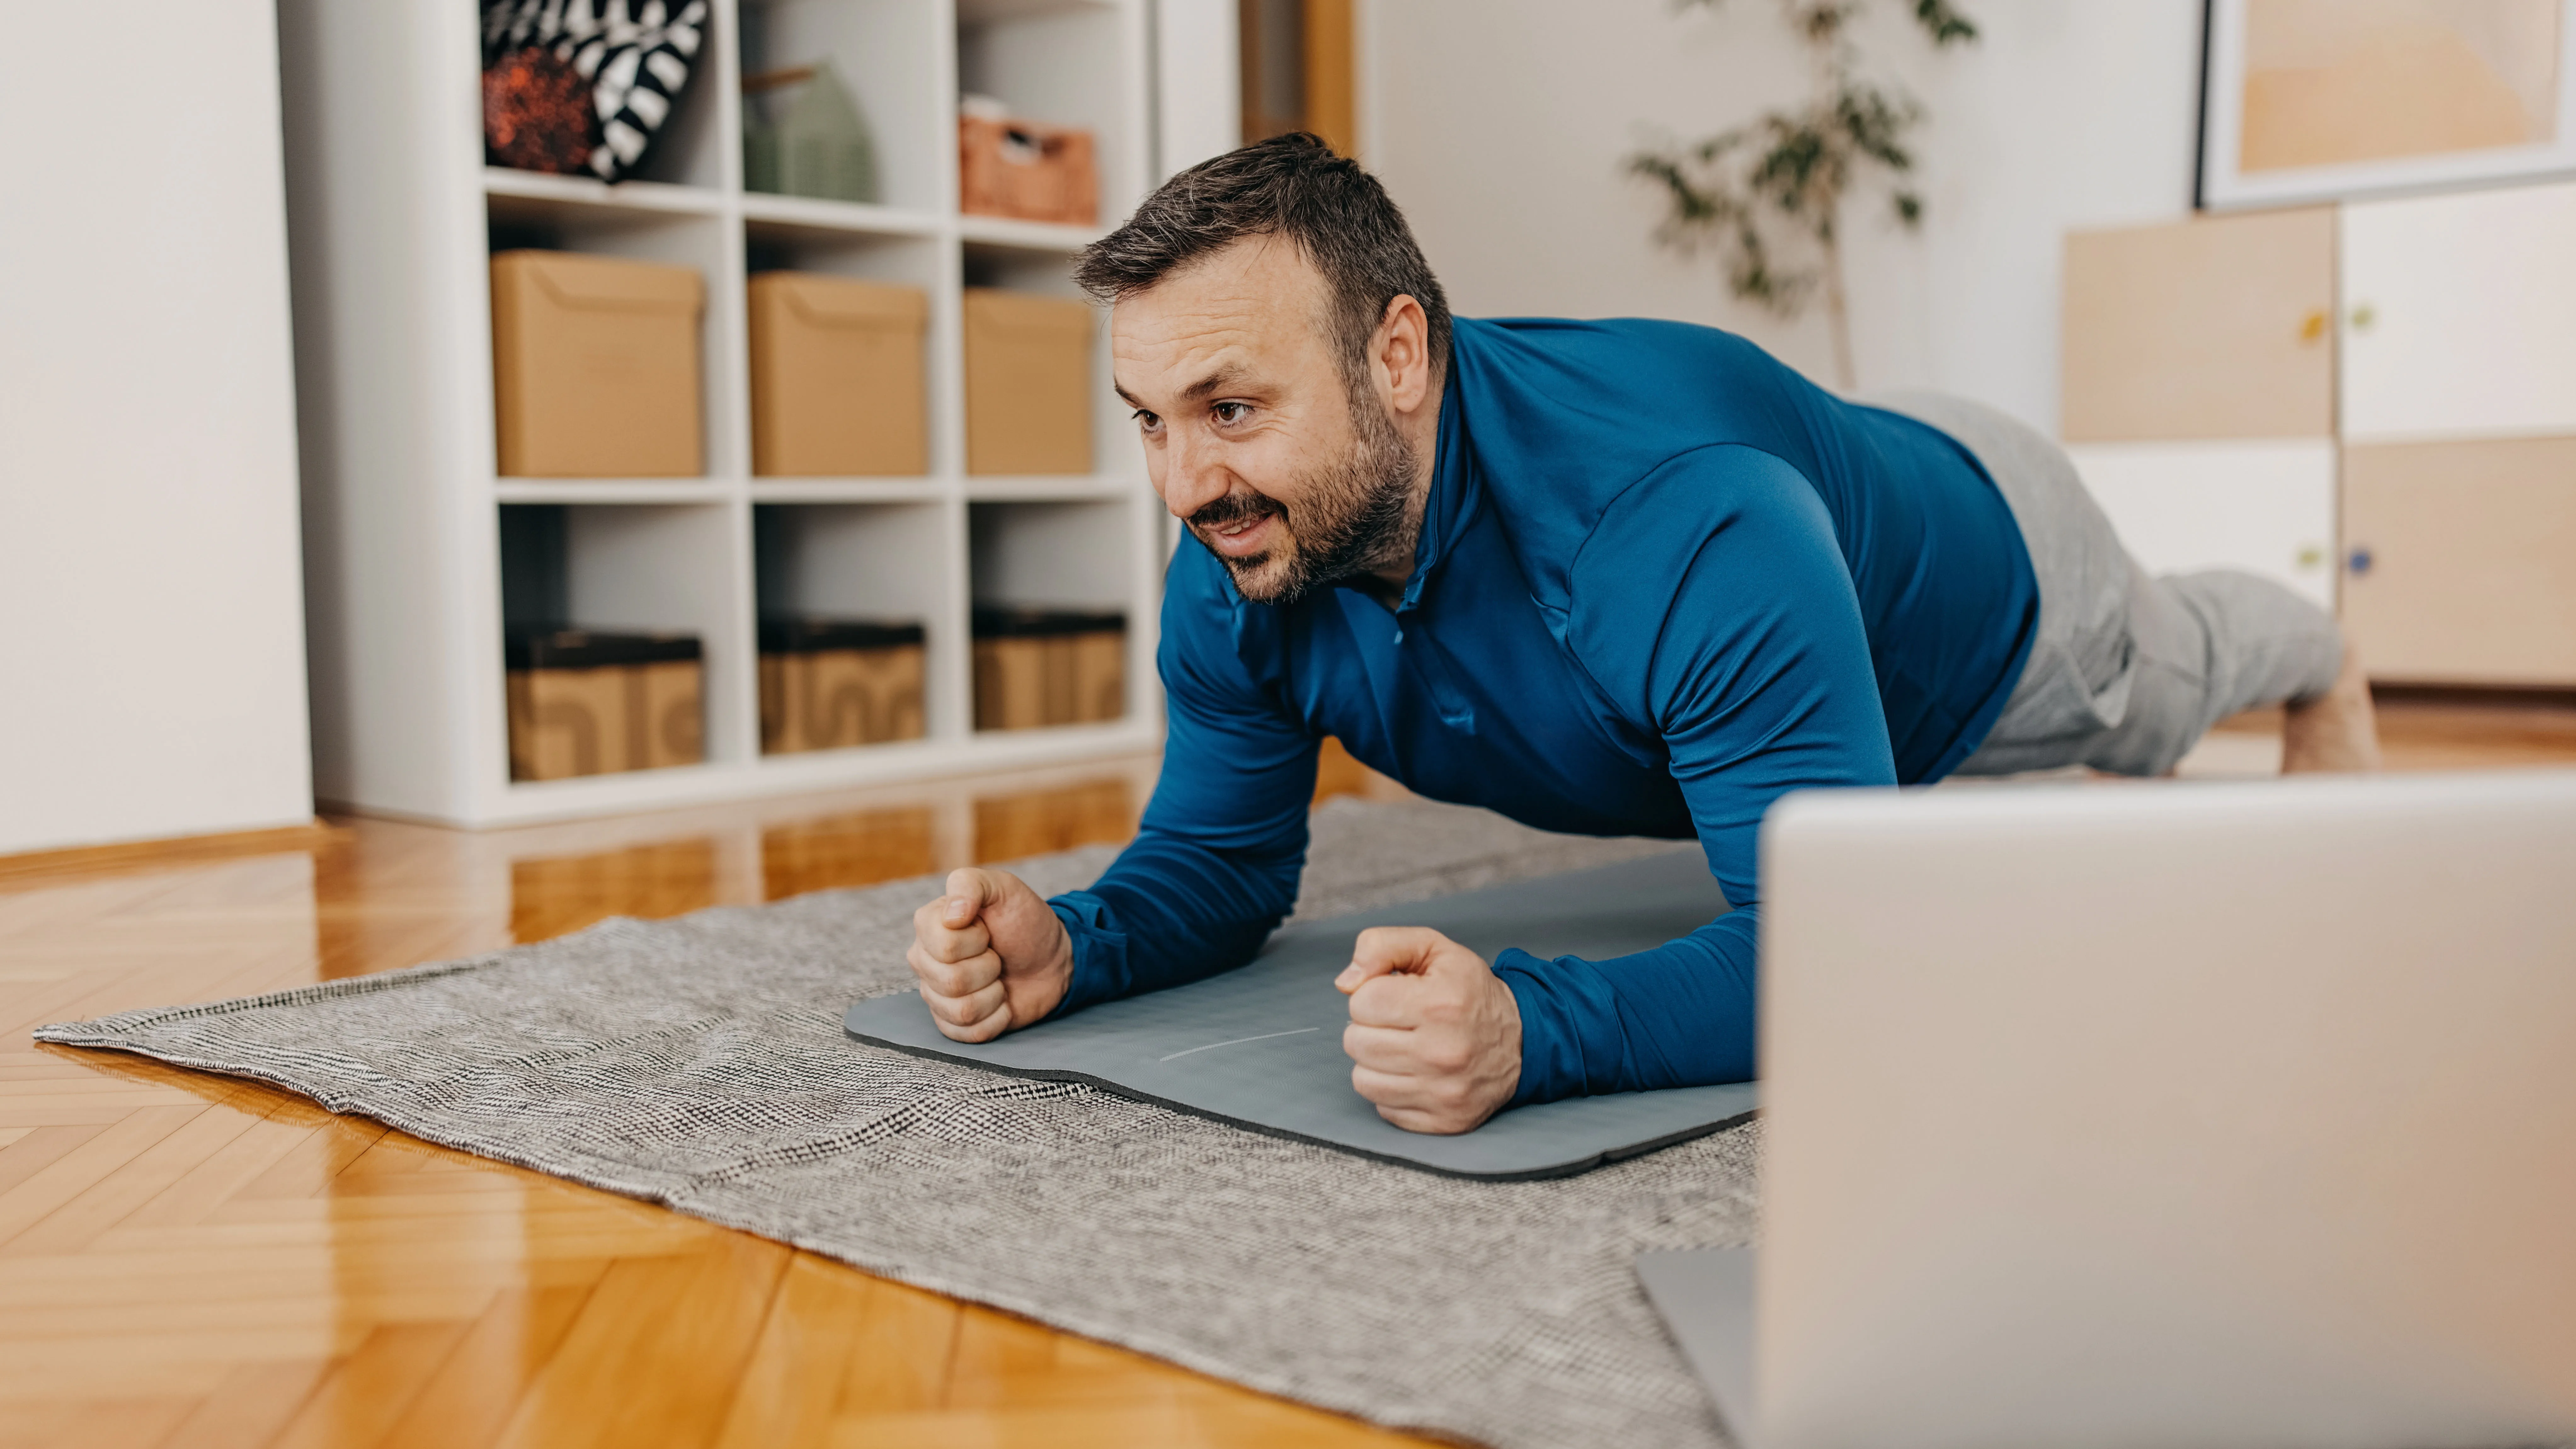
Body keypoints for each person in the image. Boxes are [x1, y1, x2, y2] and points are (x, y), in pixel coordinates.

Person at [904, 135, 2382, 1135]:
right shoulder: (1248, 541)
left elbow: (1844, 948)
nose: (1185, 482)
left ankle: (2323, 648)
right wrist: (1076, 945)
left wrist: (1533, 1034)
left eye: (1231, 408)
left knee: (2168, 689)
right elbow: (1222, 863)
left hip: (1992, 580)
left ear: (1396, 355)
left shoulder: (1682, 531)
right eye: (1151, 423)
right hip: (1813, 489)